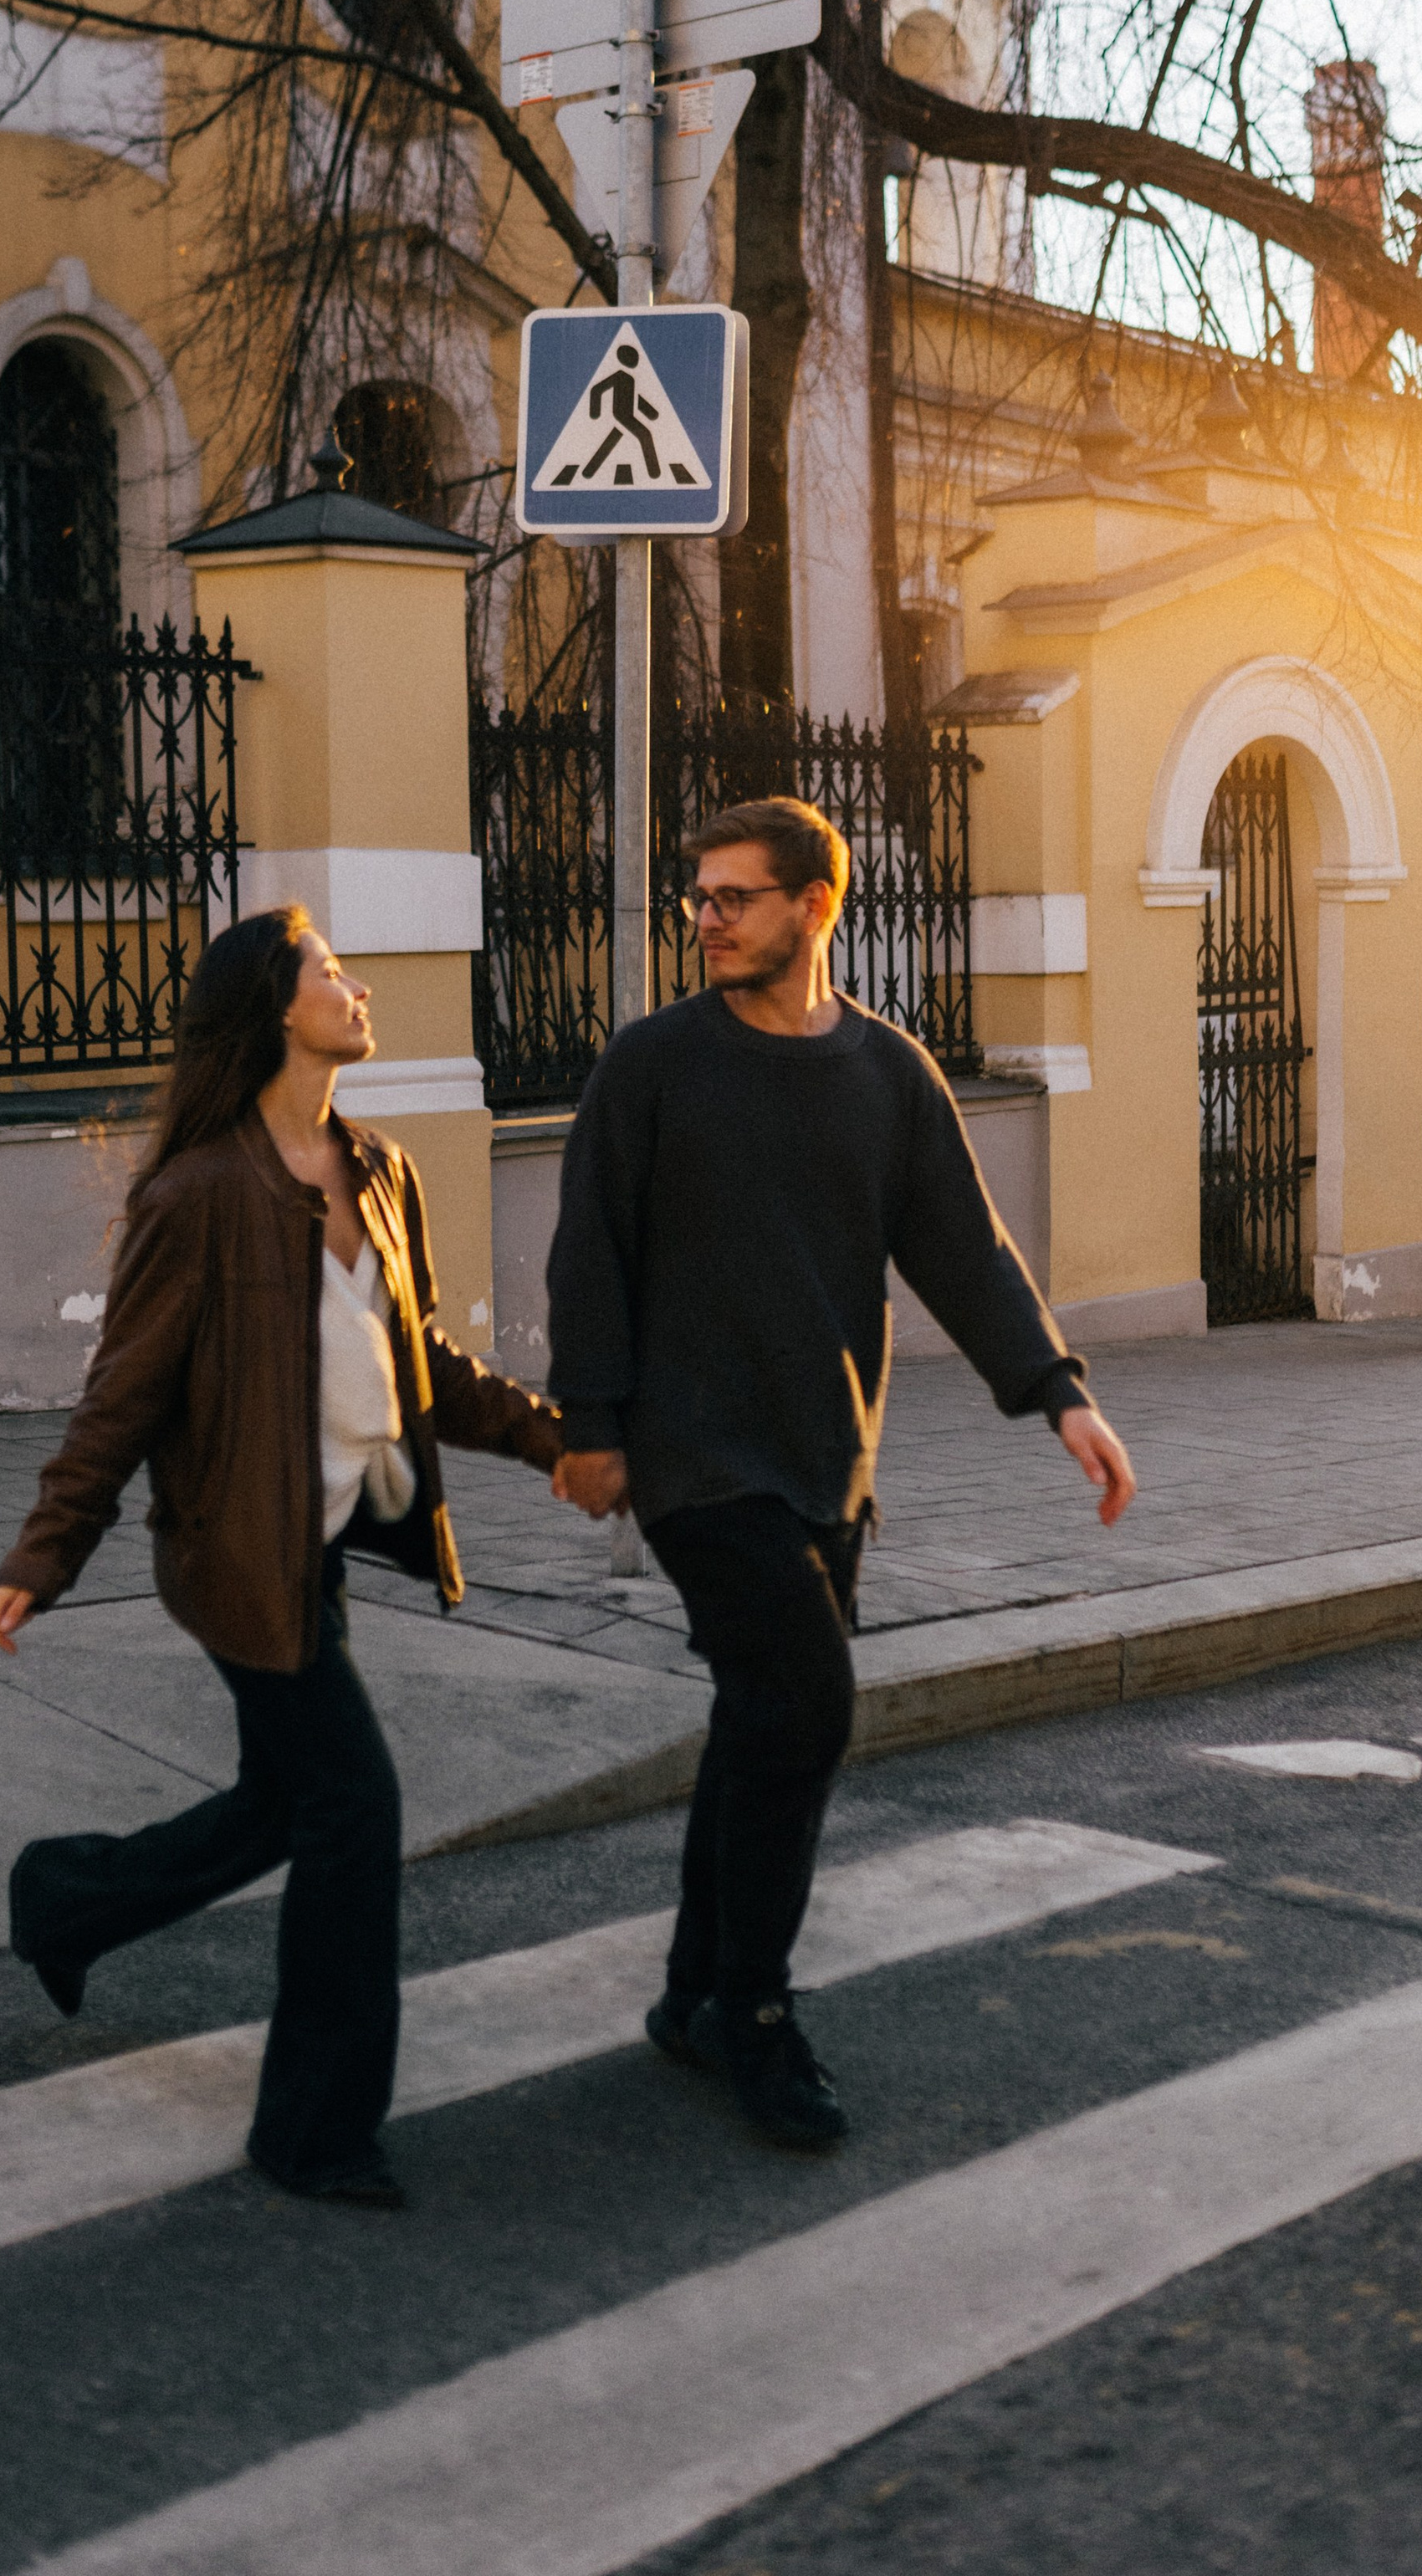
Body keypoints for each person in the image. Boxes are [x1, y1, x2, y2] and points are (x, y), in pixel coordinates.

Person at [545, 796, 1138, 2153]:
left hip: (827, 1455)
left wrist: (1060, 1395)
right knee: (805, 1708)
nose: (706, 918)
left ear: (814, 906)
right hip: (695, 1456)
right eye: (698, 896)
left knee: (760, 1721)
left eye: (734, 897)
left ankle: (694, 1990)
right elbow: (590, 1249)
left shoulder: (889, 1073)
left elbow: (965, 1251)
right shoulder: (652, 1064)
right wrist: (590, 1424)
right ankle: (754, 2012)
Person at [0, 907, 561, 2209]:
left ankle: (64, 1904)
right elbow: (123, 1397)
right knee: (354, 1808)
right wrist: (46, 1551)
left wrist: (553, 1442)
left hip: (329, 1535)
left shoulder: (379, 1172)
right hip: (237, 1554)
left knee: (283, 1804)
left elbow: (423, 1363)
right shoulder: (200, 1196)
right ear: (275, 1010)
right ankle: (312, 2130)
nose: (358, 988)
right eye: (330, 973)